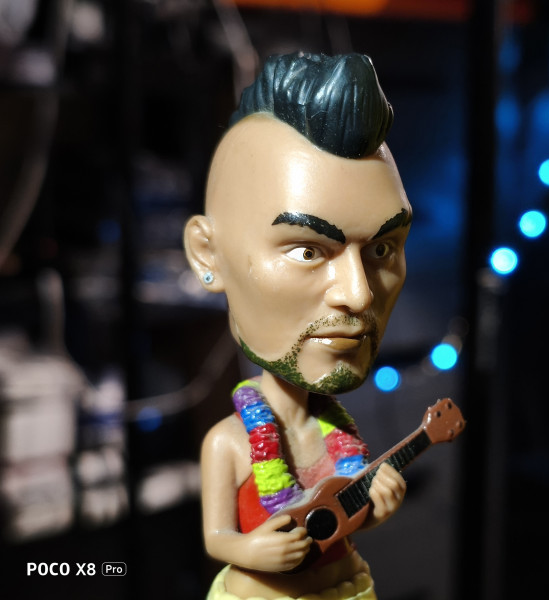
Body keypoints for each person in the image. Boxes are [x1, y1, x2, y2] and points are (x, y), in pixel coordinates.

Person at [183, 52, 412, 600]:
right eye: (308, 250)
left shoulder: (340, 436)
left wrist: (375, 509)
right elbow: (217, 537)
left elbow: (335, 520)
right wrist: (251, 550)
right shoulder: (228, 443)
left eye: (383, 248)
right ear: (208, 255)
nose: (359, 294)